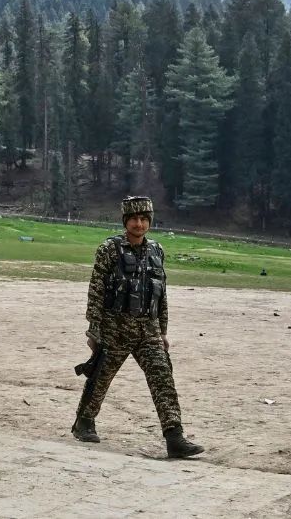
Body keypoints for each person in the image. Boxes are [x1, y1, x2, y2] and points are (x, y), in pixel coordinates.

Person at [72, 195, 205, 459]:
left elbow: (161, 293)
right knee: (100, 377)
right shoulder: (109, 249)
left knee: (162, 378)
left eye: (144, 219)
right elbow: (96, 289)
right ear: (125, 221)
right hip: (115, 328)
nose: (139, 224)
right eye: (133, 219)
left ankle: (174, 437)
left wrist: (163, 331)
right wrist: (94, 329)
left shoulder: (157, 250)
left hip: (149, 330)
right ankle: (84, 422)